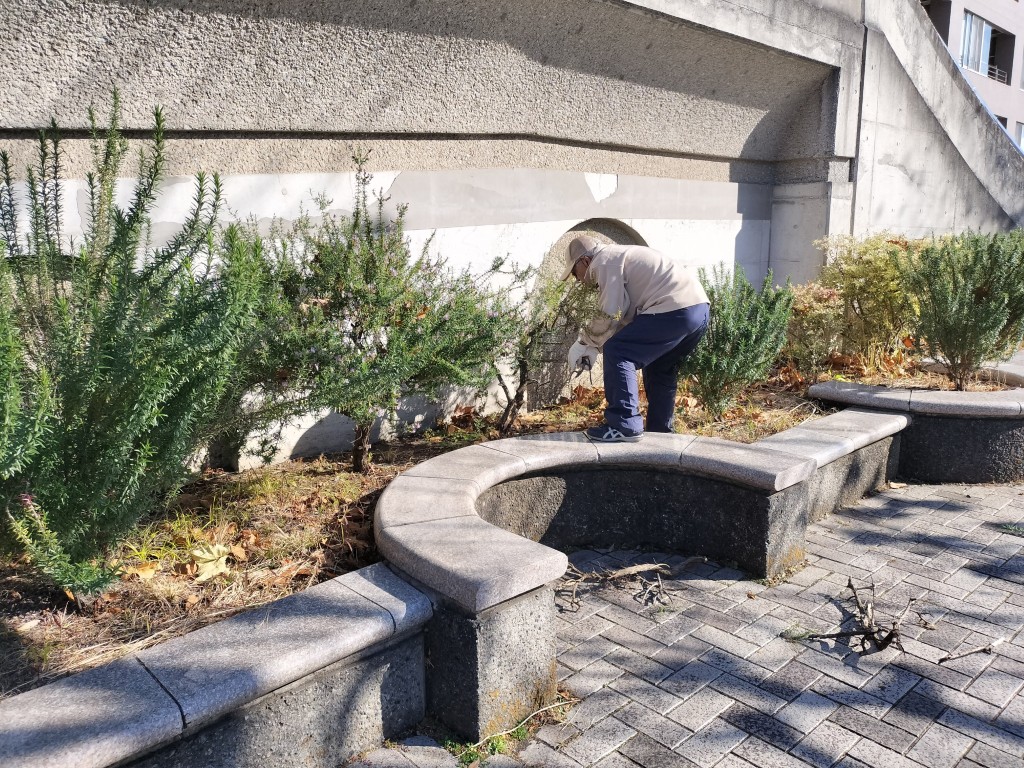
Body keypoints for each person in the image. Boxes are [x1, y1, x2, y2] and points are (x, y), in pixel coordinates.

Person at [562, 235, 710, 443]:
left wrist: (585, 342)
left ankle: (624, 424)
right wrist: (595, 347)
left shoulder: (604, 261)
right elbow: (623, 318)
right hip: (698, 310)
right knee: (659, 367)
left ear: (585, 261)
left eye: (574, 273)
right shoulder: (619, 256)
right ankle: (661, 434)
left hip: (674, 309)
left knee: (618, 351)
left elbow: (609, 312)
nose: (577, 280)